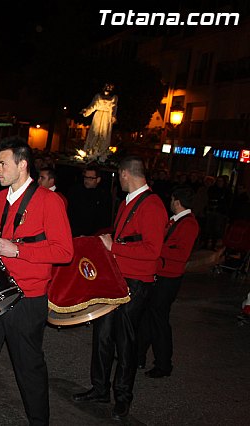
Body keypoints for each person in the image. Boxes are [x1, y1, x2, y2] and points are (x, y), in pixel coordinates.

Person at [0, 137, 73, 425]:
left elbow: (65, 251)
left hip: (28, 299)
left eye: (2, 163)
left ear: (22, 165)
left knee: (28, 368)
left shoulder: (49, 201)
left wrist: (18, 249)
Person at [73, 156, 167, 421]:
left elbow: (152, 251)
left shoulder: (152, 205)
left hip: (135, 283)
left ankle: (123, 397)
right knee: (102, 336)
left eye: (119, 176)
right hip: (116, 279)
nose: (118, 180)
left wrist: (114, 247)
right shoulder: (129, 201)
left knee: (125, 342)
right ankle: (100, 388)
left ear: (126, 174)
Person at [138, 186, 199, 378]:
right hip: (162, 275)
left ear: (177, 202)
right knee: (149, 317)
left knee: (159, 321)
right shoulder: (177, 221)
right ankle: (139, 355)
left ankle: (163, 364)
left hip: (169, 278)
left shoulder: (189, 224)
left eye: (172, 200)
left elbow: (181, 254)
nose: (170, 203)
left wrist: (157, 248)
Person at [66, 164, 113, 236]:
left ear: (98, 180)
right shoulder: (75, 191)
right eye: (85, 177)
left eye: (91, 178)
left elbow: (104, 219)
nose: (87, 180)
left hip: (93, 233)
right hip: (74, 231)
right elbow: (70, 213)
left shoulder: (103, 195)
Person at [81, 83, 118, 159]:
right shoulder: (98, 96)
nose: (108, 88)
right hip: (98, 115)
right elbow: (93, 105)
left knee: (104, 134)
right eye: (107, 86)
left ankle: (102, 152)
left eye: (110, 87)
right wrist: (87, 111)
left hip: (106, 117)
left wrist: (113, 116)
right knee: (94, 132)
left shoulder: (114, 97)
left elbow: (114, 107)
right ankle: (90, 151)